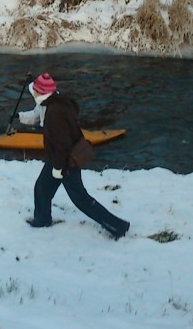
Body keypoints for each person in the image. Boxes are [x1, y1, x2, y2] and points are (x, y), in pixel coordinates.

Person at [19, 73, 130, 239]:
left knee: (81, 200)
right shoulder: (56, 102)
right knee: (42, 188)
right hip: (57, 158)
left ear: (41, 93)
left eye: (34, 90)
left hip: (66, 162)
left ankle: (118, 226)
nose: (32, 92)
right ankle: (42, 220)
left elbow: (63, 144)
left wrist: (58, 167)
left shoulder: (55, 112)